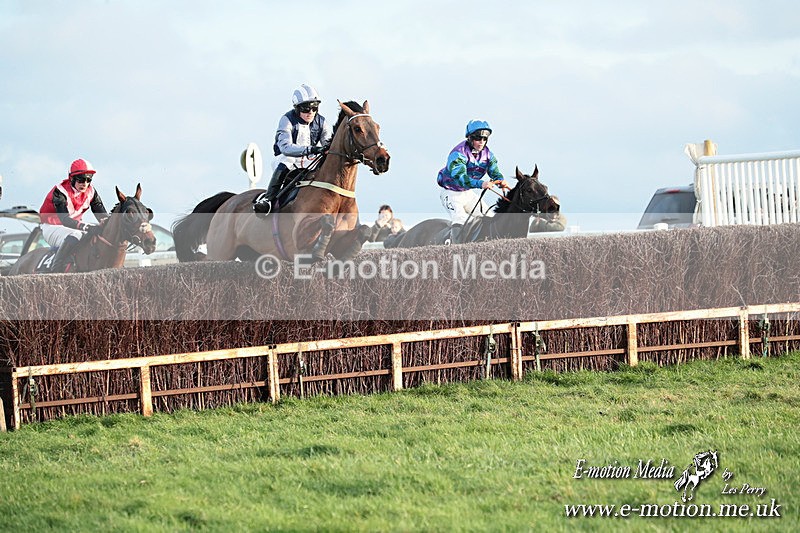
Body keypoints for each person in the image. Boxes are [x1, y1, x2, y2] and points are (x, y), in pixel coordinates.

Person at [253, 84, 333, 215]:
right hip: (287, 158)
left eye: (314, 108)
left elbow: (328, 143)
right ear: (297, 108)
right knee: (287, 159)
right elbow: (285, 147)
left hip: (309, 159)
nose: (311, 112)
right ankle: (268, 199)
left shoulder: (322, 122)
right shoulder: (287, 120)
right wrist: (312, 149)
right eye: (306, 108)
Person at [437, 119, 508, 244]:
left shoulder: (488, 154)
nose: (481, 142)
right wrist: (481, 184)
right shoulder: (457, 154)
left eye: (484, 139)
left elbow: (494, 171)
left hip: (467, 194)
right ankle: (456, 250)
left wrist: (500, 180)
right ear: (470, 138)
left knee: (490, 216)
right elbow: (461, 178)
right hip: (451, 193)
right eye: (478, 138)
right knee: (460, 218)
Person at [39, 158, 109, 272]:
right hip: (52, 227)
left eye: (88, 179)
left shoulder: (91, 192)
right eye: (81, 179)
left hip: (72, 227)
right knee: (76, 234)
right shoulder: (60, 192)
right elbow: (65, 220)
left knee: (93, 236)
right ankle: (55, 271)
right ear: (71, 178)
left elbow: (102, 216)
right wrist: (87, 227)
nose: (85, 183)